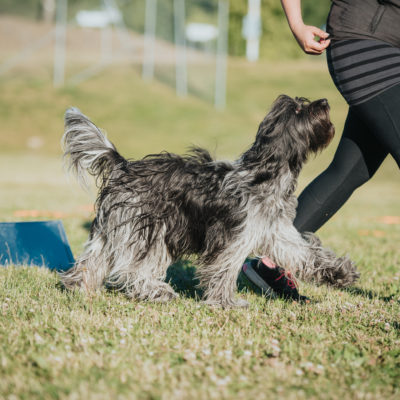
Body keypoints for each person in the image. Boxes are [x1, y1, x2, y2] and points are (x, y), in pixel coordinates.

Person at [242, 0, 400, 301]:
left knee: (352, 169)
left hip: (388, 50)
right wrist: (297, 24)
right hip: (366, 46)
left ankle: (271, 263)